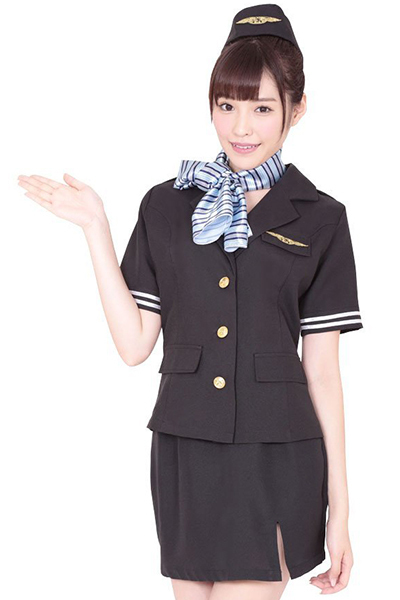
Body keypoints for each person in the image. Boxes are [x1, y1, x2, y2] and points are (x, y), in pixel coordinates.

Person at [17, 4, 363, 599]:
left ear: (297, 109)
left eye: (262, 108)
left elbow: (324, 374)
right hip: (186, 451)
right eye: (227, 105)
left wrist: (341, 512)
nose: (241, 127)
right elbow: (135, 346)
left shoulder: (322, 218)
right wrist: (96, 228)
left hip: (275, 458)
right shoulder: (166, 206)